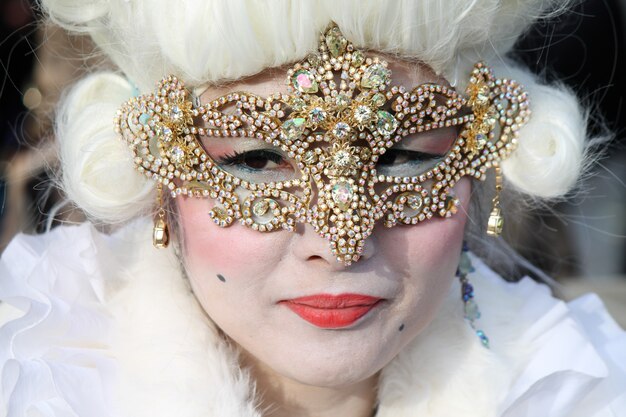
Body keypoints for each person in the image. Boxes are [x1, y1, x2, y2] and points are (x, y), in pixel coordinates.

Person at [1, 1, 625, 416]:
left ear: (482, 158)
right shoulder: (39, 378)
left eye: (403, 156)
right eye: (256, 161)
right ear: (159, 167)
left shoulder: (576, 391)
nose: (339, 239)